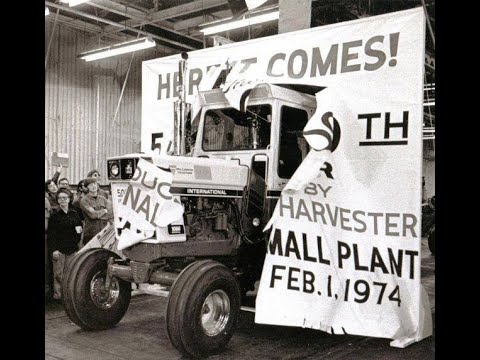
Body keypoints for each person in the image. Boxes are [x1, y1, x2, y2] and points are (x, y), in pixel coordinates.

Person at [48, 188, 83, 301]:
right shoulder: (54, 216)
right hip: (59, 250)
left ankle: (69, 296)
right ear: (57, 200)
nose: (62, 200)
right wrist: (54, 250)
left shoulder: (74, 214)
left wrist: (78, 246)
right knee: (58, 274)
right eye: (60, 198)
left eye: (64, 198)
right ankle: (59, 296)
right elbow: (51, 235)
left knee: (70, 274)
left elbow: (79, 230)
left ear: (69, 199)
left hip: (72, 249)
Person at [80, 177, 114, 244]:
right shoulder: (84, 200)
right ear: (87, 187)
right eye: (90, 185)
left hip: (104, 232)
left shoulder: (103, 199)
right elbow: (92, 215)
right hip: (91, 234)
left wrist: (98, 214)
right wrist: (104, 211)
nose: (93, 186)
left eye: (95, 184)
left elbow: (110, 214)